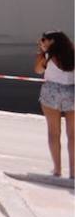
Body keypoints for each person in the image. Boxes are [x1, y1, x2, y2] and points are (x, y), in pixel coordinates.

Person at [35, 31, 74, 178]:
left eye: (44, 40)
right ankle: (74, 172)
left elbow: (38, 70)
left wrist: (42, 53)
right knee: (73, 135)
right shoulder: (73, 54)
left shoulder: (47, 56)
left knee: (53, 132)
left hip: (51, 91)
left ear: (52, 41)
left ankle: (57, 169)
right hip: (71, 92)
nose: (42, 42)